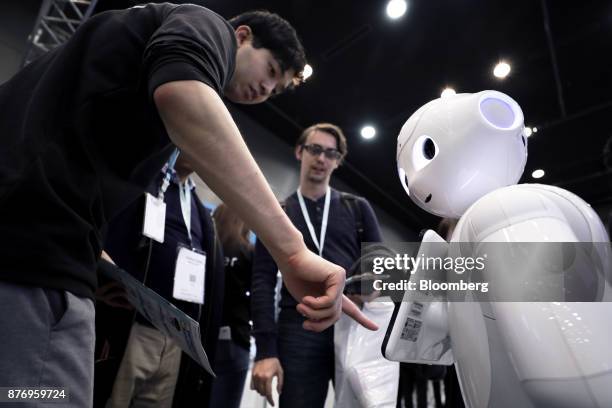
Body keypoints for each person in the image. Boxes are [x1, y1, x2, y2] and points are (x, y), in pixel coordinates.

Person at [0, 5, 375, 407]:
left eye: (277, 89)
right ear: (243, 36)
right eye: (270, 70)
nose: (267, 90)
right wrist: (293, 249)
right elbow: (183, 91)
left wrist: (98, 260)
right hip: (35, 265)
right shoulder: (204, 25)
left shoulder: (117, 84)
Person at [250, 123, 383, 407]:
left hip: (351, 324)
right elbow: (262, 280)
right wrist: (265, 350)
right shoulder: (278, 214)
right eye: (315, 149)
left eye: (330, 153)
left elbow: (382, 268)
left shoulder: (358, 209)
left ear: (338, 161)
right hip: (299, 326)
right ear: (300, 152)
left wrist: (369, 286)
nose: (322, 158)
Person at [209, 203, 255, 408]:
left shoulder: (206, 246)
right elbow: (258, 298)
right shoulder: (248, 252)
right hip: (235, 339)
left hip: (202, 337)